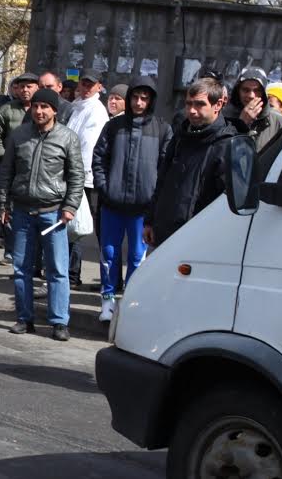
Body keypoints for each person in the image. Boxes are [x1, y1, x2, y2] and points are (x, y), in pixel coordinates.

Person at [0, 88, 83, 340]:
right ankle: (24, 318)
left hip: (54, 214)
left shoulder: (67, 138)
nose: (40, 111)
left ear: (55, 110)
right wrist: (2, 206)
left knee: (57, 269)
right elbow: (6, 173)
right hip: (22, 212)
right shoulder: (18, 136)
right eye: (36, 106)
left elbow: (77, 176)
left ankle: (59, 322)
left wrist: (70, 207)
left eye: (45, 106)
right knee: (21, 267)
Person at [91, 77, 170, 322]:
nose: (138, 102)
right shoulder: (114, 127)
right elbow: (99, 159)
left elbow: (166, 167)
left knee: (138, 256)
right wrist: (104, 188)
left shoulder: (162, 128)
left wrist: (155, 199)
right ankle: (108, 301)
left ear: (151, 100)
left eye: (144, 98)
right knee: (109, 253)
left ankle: (131, 303)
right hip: (112, 204)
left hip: (142, 209)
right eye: (135, 97)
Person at [146, 77, 242, 246]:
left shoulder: (228, 145)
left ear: (218, 105)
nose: (191, 110)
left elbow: (228, 203)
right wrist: (150, 221)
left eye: (199, 104)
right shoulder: (180, 137)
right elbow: (161, 183)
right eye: (189, 104)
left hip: (201, 240)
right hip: (165, 235)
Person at [65, 73, 109, 289]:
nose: (86, 87)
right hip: (72, 173)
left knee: (77, 226)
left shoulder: (96, 111)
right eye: (84, 83)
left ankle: (72, 276)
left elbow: (87, 147)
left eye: (91, 84)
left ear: (99, 87)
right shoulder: (77, 105)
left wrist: (74, 174)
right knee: (70, 225)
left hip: (84, 178)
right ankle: (68, 273)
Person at [0, 72, 37, 249]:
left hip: (36, 172)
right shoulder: (7, 110)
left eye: (29, 86)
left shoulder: (42, 109)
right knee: (6, 209)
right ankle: (10, 249)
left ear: (37, 88)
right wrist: (3, 155)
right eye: (21, 86)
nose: (25, 90)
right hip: (10, 169)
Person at [223, 67, 282, 151]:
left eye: (257, 90)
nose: (251, 96)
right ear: (238, 91)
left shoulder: (279, 121)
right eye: (246, 90)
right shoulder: (224, 117)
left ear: (264, 93)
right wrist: (240, 125)